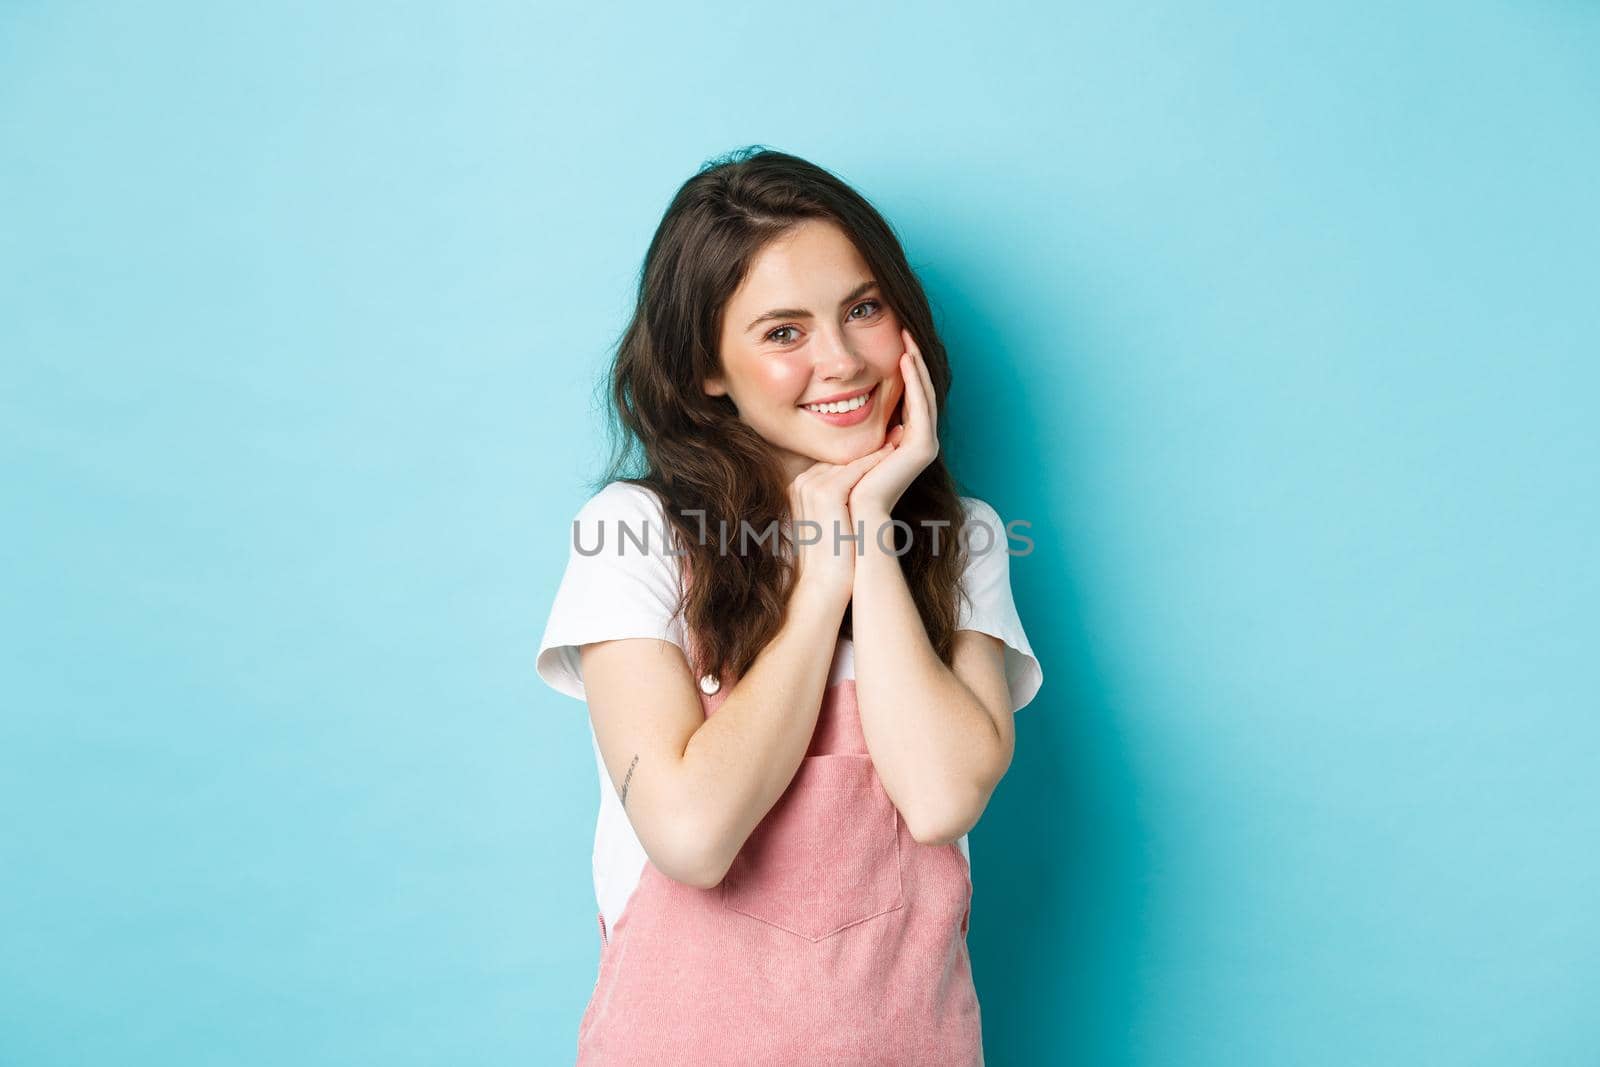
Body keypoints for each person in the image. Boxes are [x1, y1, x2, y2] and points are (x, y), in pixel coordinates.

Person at [535, 146, 1043, 1065]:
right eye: (782, 332)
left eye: (862, 308)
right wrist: (818, 587)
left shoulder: (965, 537)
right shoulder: (634, 533)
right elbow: (691, 834)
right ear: (706, 371)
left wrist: (873, 528)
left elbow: (939, 798)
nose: (842, 360)